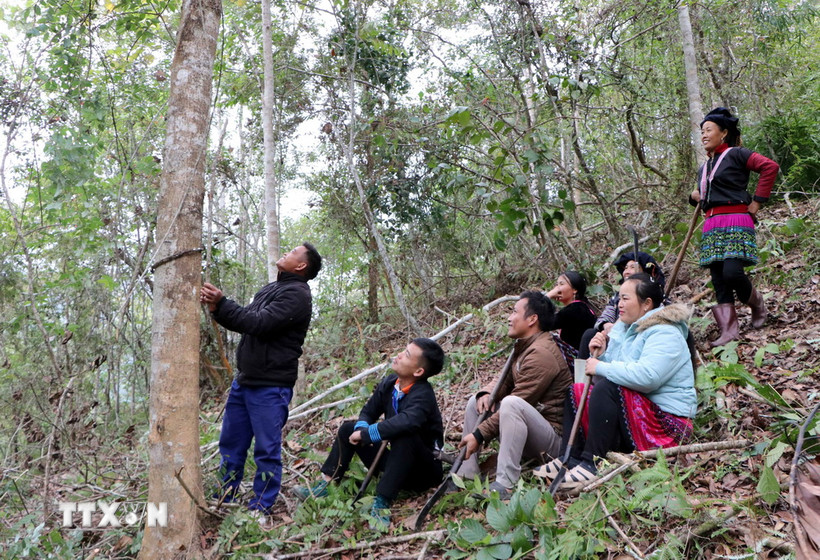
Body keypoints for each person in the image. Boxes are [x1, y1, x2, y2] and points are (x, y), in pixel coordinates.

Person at [533, 274, 696, 491]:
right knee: (578, 389)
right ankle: (569, 458)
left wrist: (601, 366)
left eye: (626, 298)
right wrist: (600, 354)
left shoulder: (665, 332)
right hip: (640, 411)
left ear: (647, 303)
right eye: (619, 298)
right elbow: (619, 368)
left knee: (607, 387)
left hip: (667, 424)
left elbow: (648, 377)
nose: (619, 304)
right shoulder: (629, 329)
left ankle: (591, 463)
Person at [200, 243, 323, 515]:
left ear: (302, 265)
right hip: (244, 382)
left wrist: (223, 303)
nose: (286, 252)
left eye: (293, 252)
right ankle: (226, 497)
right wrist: (217, 309)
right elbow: (246, 322)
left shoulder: (298, 296)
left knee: (266, 450)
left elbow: (258, 323)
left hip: (271, 386)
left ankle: (261, 507)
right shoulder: (271, 289)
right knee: (231, 444)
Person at [292, 338, 446, 530]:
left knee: (406, 434)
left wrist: (367, 434)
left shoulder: (423, 394)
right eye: (403, 350)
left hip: (423, 471)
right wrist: (360, 430)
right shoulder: (391, 383)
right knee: (348, 428)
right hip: (397, 464)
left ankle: (382, 503)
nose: (398, 355)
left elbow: (407, 421)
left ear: (418, 371)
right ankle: (326, 485)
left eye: (406, 354)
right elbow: (369, 411)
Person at [455, 291, 573, 499]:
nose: (509, 318)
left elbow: (520, 400)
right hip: (530, 429)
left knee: (512, 403)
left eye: (514, 312)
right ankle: (465, 474)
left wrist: (479, 434)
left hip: (552, 440)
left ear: (532, 319)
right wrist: (487, 393)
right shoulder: (525, 346)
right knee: (476, 402)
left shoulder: (541, 354)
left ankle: (506, 483)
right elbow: (505, 382)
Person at [689, 107, 779, 347]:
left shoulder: (737, 154)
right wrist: (694, 196)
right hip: (712, 223)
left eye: (709, 130)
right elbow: (706, 195)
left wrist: (757, 202)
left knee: (732, 272)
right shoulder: (704, 168)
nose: (704, 135)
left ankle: (757, 303)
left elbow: (770, 167)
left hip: (736, 218)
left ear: (724, 132)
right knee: (718, 278)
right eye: (702, 131)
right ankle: (728, 331)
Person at [577, 252, 665, 359]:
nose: (627, 271)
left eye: (633, 267)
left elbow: (646, 372)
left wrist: (599, 367)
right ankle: (581, 374)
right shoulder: (616, 298)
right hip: (616, 336)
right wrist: (607, 325)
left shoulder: (661, 327)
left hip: (633, 337)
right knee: (590, 335)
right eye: (626, 268)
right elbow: (604, 317)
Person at [545, 271, 597, 351]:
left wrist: (547, 296)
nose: (556, 289)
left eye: (561, 284)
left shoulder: (576, 309)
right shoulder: (581, 306)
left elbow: (544, 323)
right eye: (557, 285)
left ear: (574, 289)